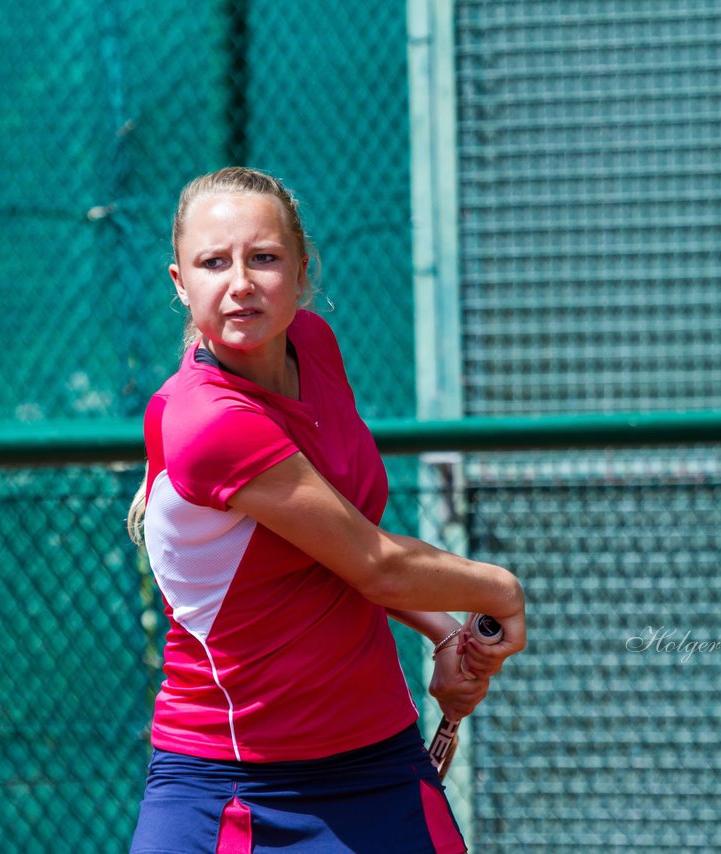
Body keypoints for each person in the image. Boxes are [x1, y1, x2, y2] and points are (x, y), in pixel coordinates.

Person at [126, 166, 526, 853]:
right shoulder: (207, 422)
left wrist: (442, 633)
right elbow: (375, 566)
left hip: (378, 762)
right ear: (179, 283)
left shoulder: (314, 344)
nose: (241, 282)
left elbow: (335, 544)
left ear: (303, 268)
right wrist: (502, 593)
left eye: (264, 258)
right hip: (236, 787)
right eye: (213, 263)